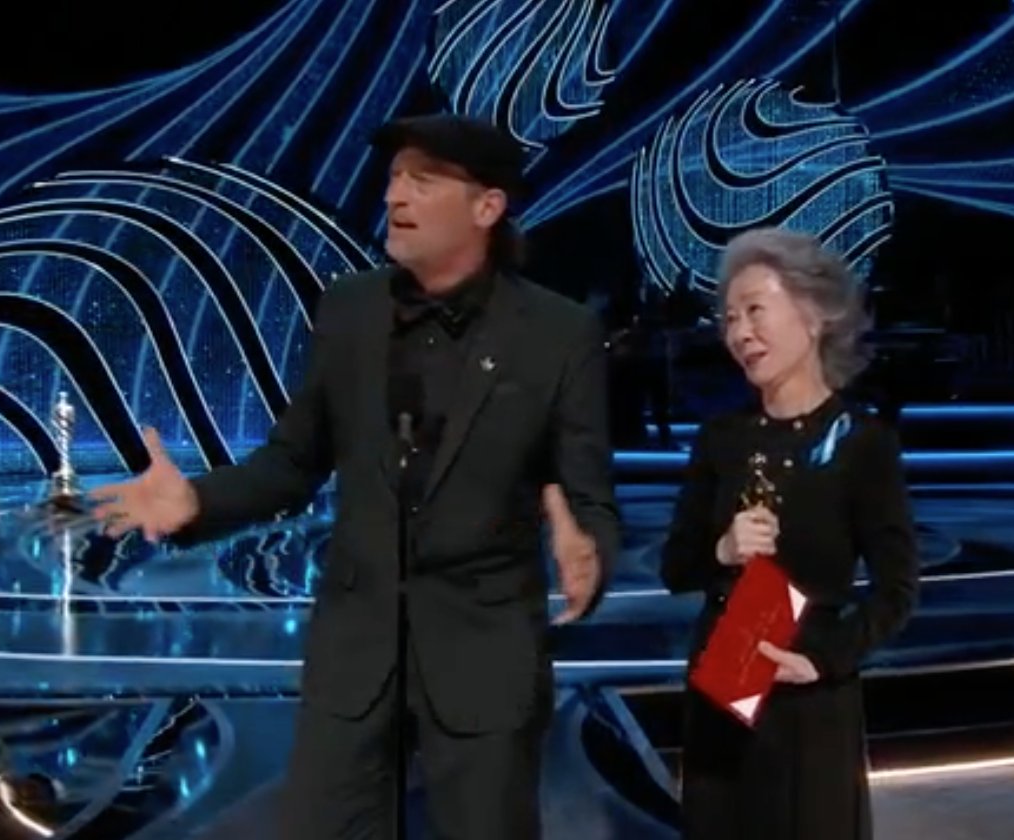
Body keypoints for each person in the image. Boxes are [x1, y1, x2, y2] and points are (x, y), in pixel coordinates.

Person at [90, 113, 620, 839]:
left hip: (484, 660)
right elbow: (292, 463)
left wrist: (589, 550)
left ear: (487, 207)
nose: (395, 195)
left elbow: (588, 494)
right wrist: (197, 502)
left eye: (422, 180)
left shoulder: (558, 334)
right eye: (394, 177)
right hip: (355, 660)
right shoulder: (350, 309)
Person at [658, 227, 920, 839]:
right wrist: (721, 549)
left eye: (755, 310)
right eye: (729, 318)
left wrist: (821, 661)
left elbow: (896, 591)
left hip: (809, 699)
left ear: (815, 314)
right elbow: (675, 567)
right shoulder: (720, 439)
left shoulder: (862, 443)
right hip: (723, 686)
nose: (740, 332)